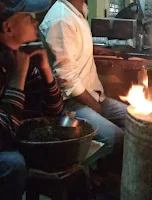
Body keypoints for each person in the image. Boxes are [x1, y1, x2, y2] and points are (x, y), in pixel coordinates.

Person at [39, 0, 127, 148]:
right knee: (117, 138)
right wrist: (96, 108)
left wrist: (97, 50)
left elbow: (74, 45)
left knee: (137, 120)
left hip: (94, 96)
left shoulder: (78, 10)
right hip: (72, 103)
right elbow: (67, 80)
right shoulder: (61, 20)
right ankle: (100, 168)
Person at [0, 0, 63, 199]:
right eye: (28, 17)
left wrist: (46, 71)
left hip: (9, 137)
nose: (35, 22)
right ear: (8, 27)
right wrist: (18, 77)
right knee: (13, 164)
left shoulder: (20, 56)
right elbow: (2, 135)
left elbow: (54, 111)